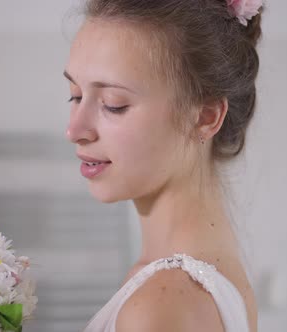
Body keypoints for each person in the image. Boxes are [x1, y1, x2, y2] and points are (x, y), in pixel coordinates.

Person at [63, 0, 264, 331]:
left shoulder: (164, 306)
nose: (74, 130)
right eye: (74, 95)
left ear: (204, 116)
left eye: (113, 105)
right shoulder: (179, 285)